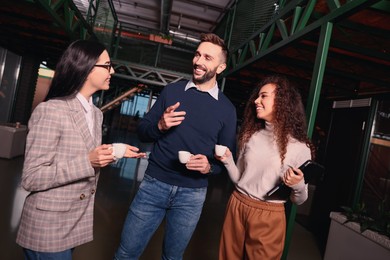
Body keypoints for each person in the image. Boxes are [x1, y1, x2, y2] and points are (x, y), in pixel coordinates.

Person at [16, 40, 146, 260]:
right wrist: (89, 162)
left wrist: (115, 151)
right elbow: (32, 177)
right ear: (86, 69)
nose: (112, 71)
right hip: (48, 228)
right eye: (107, 65)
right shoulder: (51, 111)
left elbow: (84, 152)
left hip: (74, 224)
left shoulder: (96, 114)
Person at [114, 33, 237, 260]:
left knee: (172, 258)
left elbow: (228, 160)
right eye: (197, 54)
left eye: (207, 58)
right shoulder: (172, 92)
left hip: (192, 196)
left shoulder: (227, 110)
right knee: (126, 253)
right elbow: (142, 131)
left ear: (221, 67)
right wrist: (160, 125)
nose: (198, 61)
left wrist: (209, 168)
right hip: (153, 186)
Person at [216, 74, 316, 259]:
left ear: (282, 102)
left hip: (269, 214)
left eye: (264, 96)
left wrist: (298, 184)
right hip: (238, 203)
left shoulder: (300, 148)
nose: (256, 100)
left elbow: (300, 200)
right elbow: (240, 178)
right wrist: (228, 160)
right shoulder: (250, 136)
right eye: (257, 96)